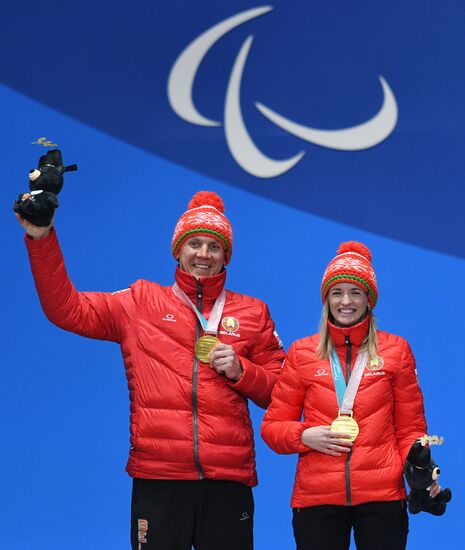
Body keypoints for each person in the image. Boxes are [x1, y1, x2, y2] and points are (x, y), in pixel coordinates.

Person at [17, 190, 285, 550]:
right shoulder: (139, 302)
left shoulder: (254, 313)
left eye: (214, 246)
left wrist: (242, 371)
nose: (203, 254)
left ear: (227, 256)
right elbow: (66, 309)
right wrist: (41, 236)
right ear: (177, 251)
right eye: (194, 244)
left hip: (227, 478)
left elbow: (283, 395)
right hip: (158, 477)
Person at [261, 241, 440, 550]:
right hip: (317, 498)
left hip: (382, 496)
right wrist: (305, 436)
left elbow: (410, 428)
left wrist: (421, 470)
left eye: (356, 292)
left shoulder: (396, 351)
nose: (346, 301)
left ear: (369, 299)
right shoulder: (302, 353)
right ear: (326, 299)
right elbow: (272, 427)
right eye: (337, 293)